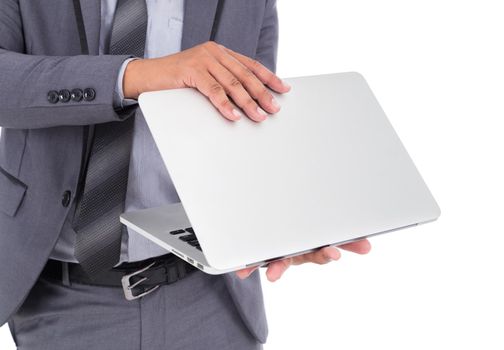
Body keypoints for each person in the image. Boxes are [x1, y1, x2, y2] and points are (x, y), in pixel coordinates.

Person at [0, 0, 371, 348]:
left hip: (214, 298)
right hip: (63, 301)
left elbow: (254, 115)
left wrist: (279, 231)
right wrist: (135, 75)